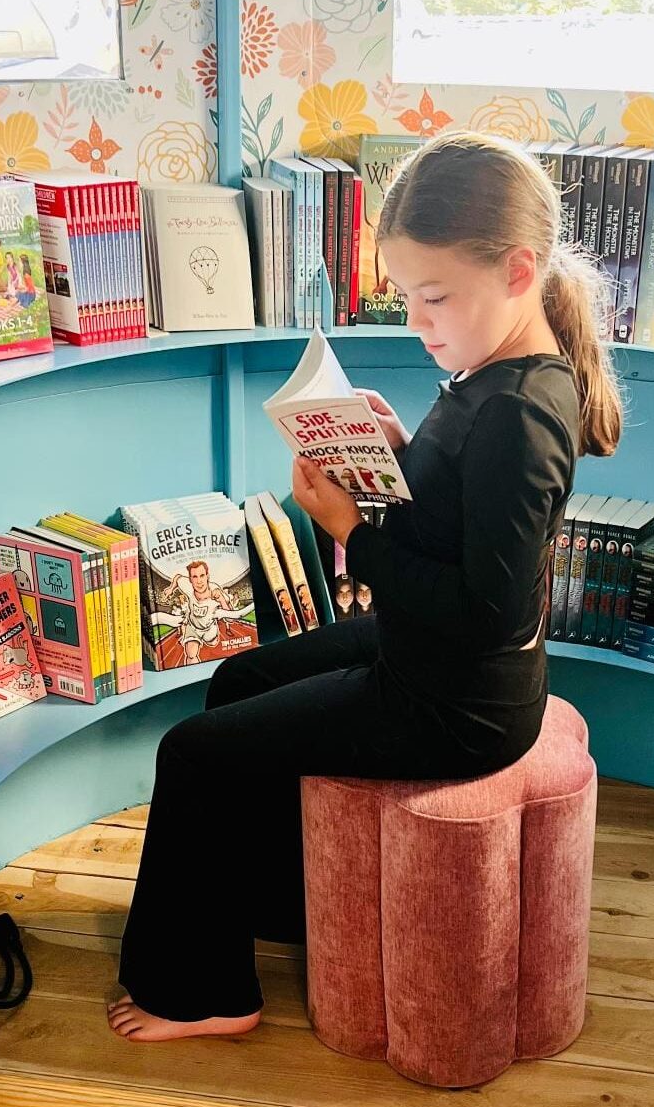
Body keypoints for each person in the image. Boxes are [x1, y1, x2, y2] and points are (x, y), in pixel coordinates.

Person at [108, 130, 622, 1043]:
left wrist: (352, 531)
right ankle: (281, 904)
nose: (418, 322)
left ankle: (205, 991)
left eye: (435, 297)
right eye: (407, 297)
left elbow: (483, 613)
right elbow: (460, 516)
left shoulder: (519, 413)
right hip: (429, 659)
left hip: (458, 704)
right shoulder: (490, 372)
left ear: (517, 271)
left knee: (192, 753)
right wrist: (392, 451)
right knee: (237, 680)